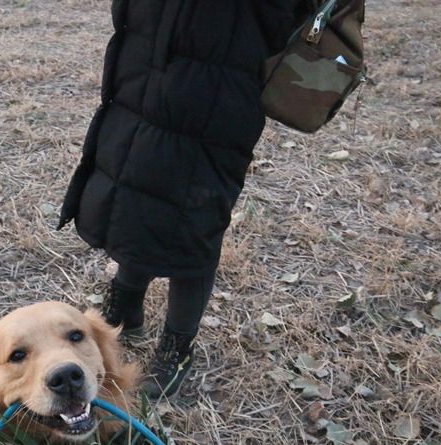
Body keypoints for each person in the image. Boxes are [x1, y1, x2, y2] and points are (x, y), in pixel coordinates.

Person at [59, 0, 304, 398]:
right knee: (136, 185)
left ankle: (178, 342)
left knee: (194, 216)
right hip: (150, 51)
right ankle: (126, 301)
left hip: (221, 73)